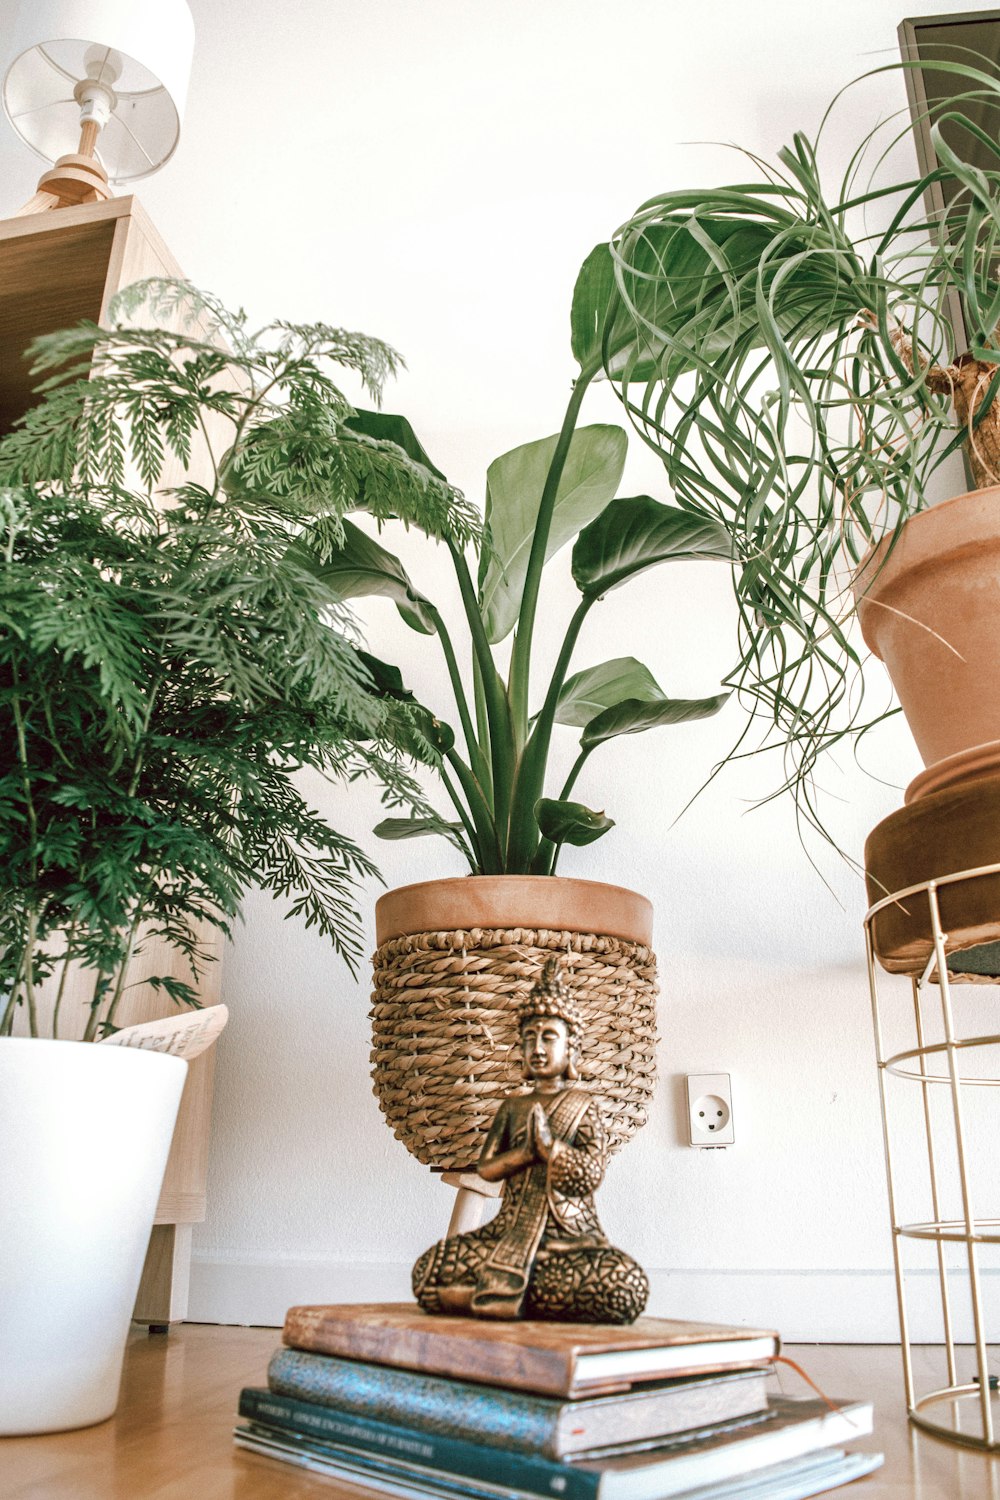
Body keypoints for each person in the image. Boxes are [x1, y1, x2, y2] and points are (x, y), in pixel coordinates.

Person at [411, 957, 649, 1323]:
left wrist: (551, 1150)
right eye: (529, 1038)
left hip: (569, 1242)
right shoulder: (513, 1107)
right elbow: (488, 1170)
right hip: (509, 1236)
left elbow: (590, 1175)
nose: (537, 1047)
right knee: (429, 1269)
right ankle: (532, 1295)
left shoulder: (582, 1105)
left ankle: (501, 1293)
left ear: (572, 1047)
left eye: (549, 1037)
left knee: (625, 1284)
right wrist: (524, 1153)